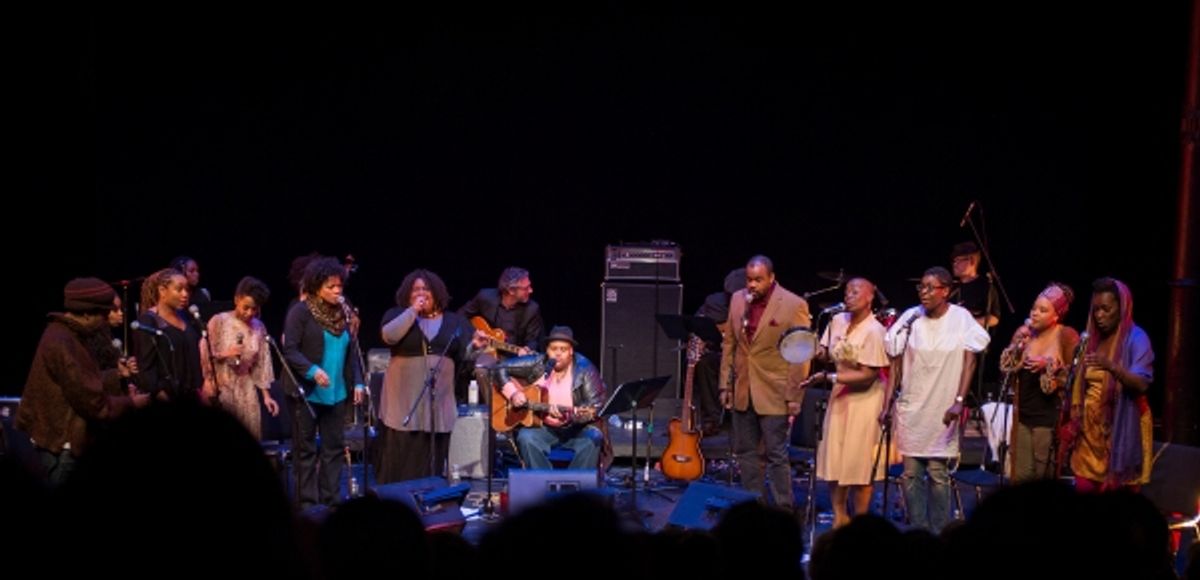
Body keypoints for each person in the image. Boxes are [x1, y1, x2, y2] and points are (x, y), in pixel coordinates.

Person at [883, 266, 990, 533]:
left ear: (946, 291)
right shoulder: (910, 318)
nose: (924, 292)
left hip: (943, 408)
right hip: (912, 407)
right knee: (910, 475)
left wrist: (959, 400)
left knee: (938, 474)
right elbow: (895, 362)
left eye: (931, 287)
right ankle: (919, 531)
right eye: (921, 286)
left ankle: (940, 532)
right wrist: (887, 404)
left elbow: (970, 362)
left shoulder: (960, 318)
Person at [15, 278, 149, 485]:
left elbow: (78, 382)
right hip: (61, 447)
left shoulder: (65, 334)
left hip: (60, 442)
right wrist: (132, 403)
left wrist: (115, 376)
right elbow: (93, 403)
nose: (106, 320)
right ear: (87, 314)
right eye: (103, 315)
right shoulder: (63, 342)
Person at [719, 255, 811, 510]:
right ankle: (753, 507)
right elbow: (730, 344)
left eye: (758, 280)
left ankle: (783, 510)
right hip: (743, 389)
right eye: (749, 279)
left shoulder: (793, 304)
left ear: (771, 278)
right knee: (746, 452)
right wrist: (725, 385)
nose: (752, 285)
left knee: (776, 455)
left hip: (775, 390)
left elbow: (801, 353)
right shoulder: (738, 300)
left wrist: (795, 396)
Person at [803, 277, 890, 528]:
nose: (849, 296)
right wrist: (810, 349)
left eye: (855, 291)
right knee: (836, 457)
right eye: (847, 291)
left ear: (870, 297)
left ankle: (860, 522)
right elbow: (824, 352)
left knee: (859, 463)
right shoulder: (837, 320)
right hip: (840, 396)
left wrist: (828, 376)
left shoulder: (875, 330)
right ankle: (839, 516)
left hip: (864, 400)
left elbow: (867, 375)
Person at [377, 268, 478, 483]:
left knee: (432, 453)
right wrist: (413, 310)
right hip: (403, 399)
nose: (421, 293)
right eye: (415, 290)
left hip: (439, 401)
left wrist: (476, 347)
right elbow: (389, 337)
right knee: (402, 452)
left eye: (426, 289)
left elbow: (465, 358)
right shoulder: (397, 314)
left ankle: (429, 501)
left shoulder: (455, 321)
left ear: (437, 293)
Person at [282, 257, 365, 508]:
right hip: (307, 392)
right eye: (331, 287)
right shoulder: (301, 311)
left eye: (340, 286)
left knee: (334, 448)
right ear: (317, 287)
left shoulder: (344, 311)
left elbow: (353, 350)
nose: (337, 291)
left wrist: (358, 382)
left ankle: (331, 502)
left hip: (336, 392)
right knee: (305, 451)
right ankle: (307, 505)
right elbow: (290, 349)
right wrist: (312, 370)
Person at [1065, 278, 1154, 492]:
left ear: (1121, 308)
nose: (1099, 316)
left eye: (1106, 309)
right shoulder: (1091, 340)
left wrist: (1112, 367)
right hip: (1089, 434)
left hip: (1121, 429)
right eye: (1095, 310)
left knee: (1116, 507)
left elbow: (1141, 383)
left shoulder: (1136, 338)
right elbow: (1079, 382)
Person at [998, 282, 1080, 481]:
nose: (1035, 313)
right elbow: (1005, 373)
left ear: (1056, 315)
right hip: (1023, 417)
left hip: (1048, 419)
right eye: (1034, 308)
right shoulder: (1024, 334)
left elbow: (1076, 374)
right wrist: (1015, 345)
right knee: (1021, 475)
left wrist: (1048, 364)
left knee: (1043, 476)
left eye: (1043, 310)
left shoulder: (1065, 335)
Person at [494, 325, 606, 470]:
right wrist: (513, 393)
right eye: (554, 349)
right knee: (526, 438)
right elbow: (499, 368)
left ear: (571, 351)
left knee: (594, 438)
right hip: (544, 427)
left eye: (563, 349)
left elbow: (595, 404)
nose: (558, 354)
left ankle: (576, 487)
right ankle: (544, 484)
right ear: (547, 350)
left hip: (576, 429)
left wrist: (572, 417)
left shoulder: (585, 369)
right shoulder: (538, 363)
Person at [201, 276, 280, 440]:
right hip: (221, 388)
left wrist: (266, 396)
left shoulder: (259, 327)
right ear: (237, 299)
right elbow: (204, 353)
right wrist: (225, 354)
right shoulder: (219, 321)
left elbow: (261, 364)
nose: (249, 313)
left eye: (254, 309)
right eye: (246, 307)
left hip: (246, 390)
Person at [133, 268, 205, 403]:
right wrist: (160, 393)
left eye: (187, 290)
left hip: (192, 395)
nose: (185, 294)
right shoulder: (149, 321)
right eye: (179, 289)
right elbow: (146, 366)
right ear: (162, 291)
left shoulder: (185, 317)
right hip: (167, 398)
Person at [693, 267, 745, 435]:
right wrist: (699, 338)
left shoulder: (759, 306)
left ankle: (745, 420)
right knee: (703, 363)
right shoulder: (714, 302)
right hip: (720, 353)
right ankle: (711, 419)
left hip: (747, 357)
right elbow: (696, 323)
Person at [949, 242, 1000, 329]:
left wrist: (967, 323)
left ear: (972, 261)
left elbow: (994, 318)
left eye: (958, 260)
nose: (954, 264)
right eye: (954, 261)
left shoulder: (986, 287)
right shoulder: (951, 287)